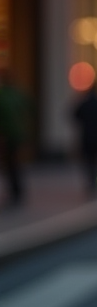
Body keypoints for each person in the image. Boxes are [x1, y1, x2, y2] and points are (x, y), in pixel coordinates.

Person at [0, 71, 31, 206]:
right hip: (18, 134)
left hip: (7, 135)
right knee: (16, 164)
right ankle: (18, 191)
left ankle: (15, 192)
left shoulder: (3, 95)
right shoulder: (19, 95)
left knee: (10, 165)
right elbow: (31, 109)